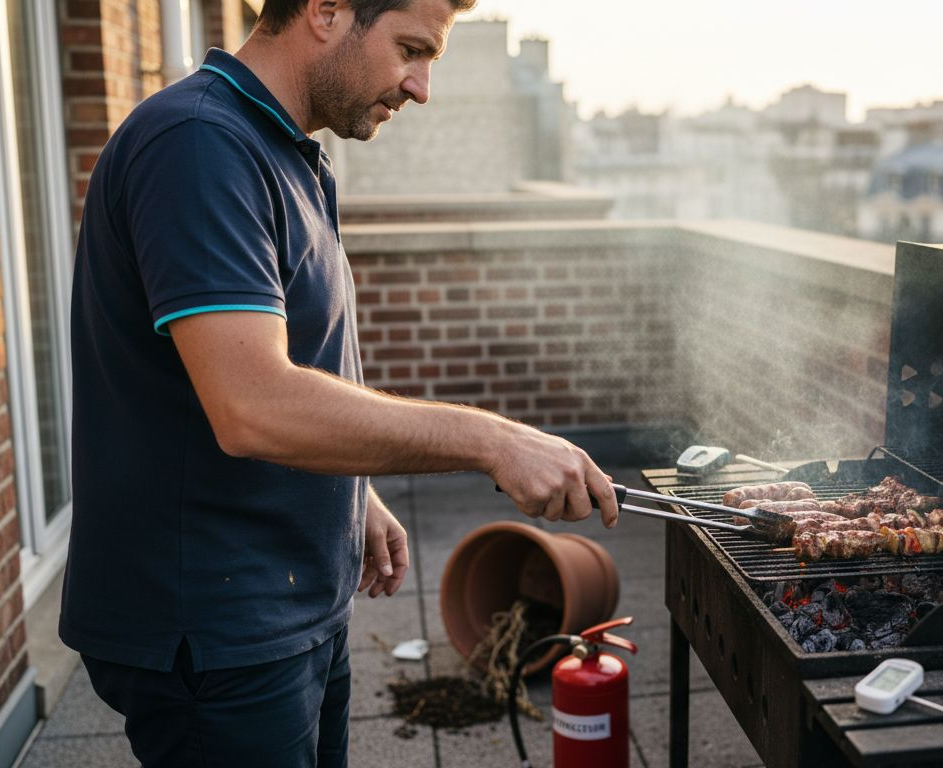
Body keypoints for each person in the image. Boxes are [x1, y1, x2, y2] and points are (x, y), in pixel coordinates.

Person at [60, 0, 619, 764]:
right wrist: (492, 439)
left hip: (291, 605)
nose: (421, 87)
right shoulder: (198, 145)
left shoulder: (284, 149)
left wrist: (357, 489)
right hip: (218, 629)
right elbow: (252, 405)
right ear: (325, 11)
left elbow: (290, 370)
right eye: (411, 49)